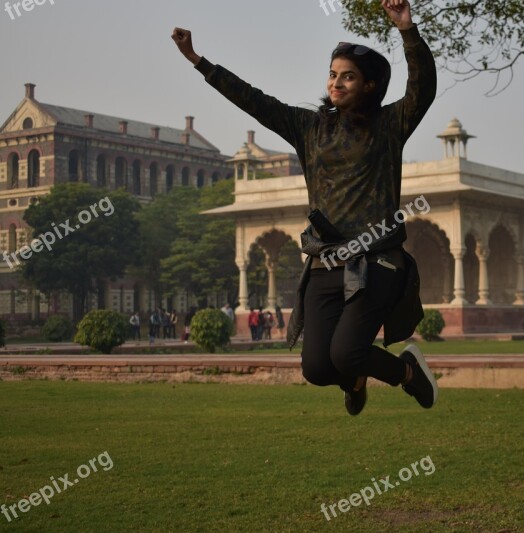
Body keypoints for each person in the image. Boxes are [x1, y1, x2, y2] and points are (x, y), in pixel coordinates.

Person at [172, 0, 438, 416]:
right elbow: (254, 101)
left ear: (369, 86)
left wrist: (407, 30)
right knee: (316, 367)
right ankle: (354, 380)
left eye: (348, 76)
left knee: (348, 352)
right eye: (333, 74)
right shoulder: (309, 128)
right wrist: (198, 61)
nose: (337, 82)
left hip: (377, 260)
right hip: (325, 262)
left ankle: (406, 373)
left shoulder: (389, 126)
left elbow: (423, 88)